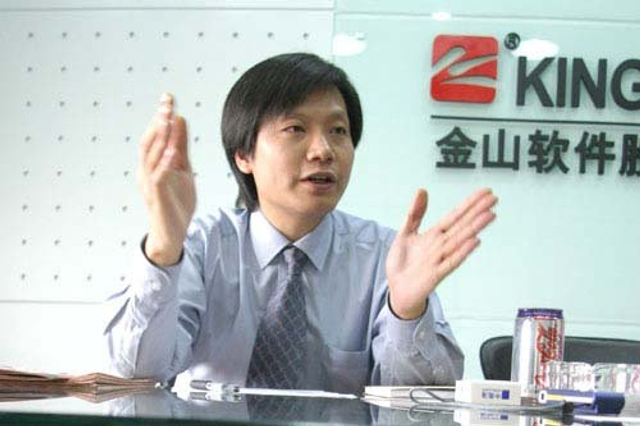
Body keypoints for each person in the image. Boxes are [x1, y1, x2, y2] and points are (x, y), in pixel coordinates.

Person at [103, 52, 497, 393]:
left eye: (338, 131)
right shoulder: (203, 246)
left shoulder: (386, 258)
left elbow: (423, 403)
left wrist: (407, 312)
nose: (323, 150)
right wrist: (163, 246)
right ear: (244, 155)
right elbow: (138, 371)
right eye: (296, 129)